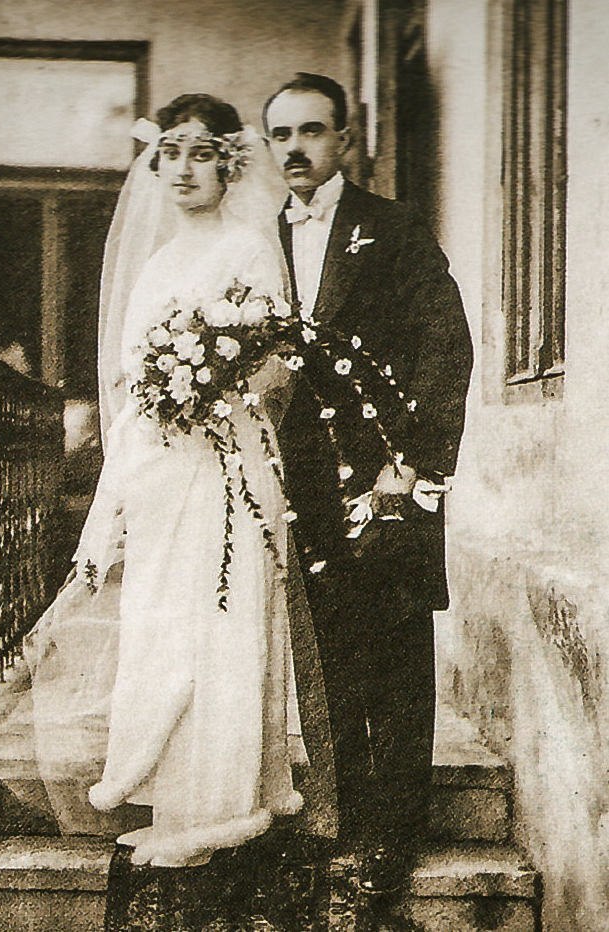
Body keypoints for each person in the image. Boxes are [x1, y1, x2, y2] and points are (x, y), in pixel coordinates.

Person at [25, 93, 328, 875]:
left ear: (229, 164)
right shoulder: (157, 263)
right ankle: (172, 796)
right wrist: (124, 483)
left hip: (230, 467)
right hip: (164, 467)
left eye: (202, 153)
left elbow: (277, 361)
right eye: (172, 154)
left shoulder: (250, 249)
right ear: (156, 164)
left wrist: (220, 393)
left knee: (220, 627)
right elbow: (131, 379)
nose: (185, 169)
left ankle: (220, 807)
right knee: (164, 631)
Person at [263, 73, 474, 893]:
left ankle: (391, 835)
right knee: (327, 658)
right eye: (280, 135)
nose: (296, 150)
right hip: (302, 482)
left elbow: (442, 347)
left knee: (392, 654)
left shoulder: (389, 230)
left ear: (345, 140)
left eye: (312, 132)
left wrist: (412, 465)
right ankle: (337, 822)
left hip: (388, 474)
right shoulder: (259, 242)